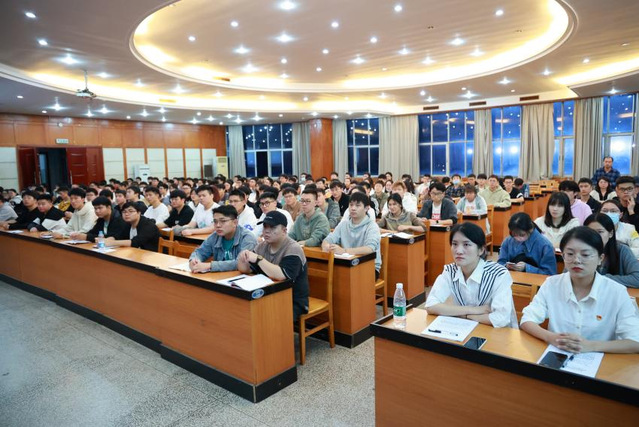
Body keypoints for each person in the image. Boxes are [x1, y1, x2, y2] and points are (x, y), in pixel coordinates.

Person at [521, 227, 639, 354]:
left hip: (600, 361)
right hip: (557, 356)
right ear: (563, 256)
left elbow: (635, 342)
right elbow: (527, 319)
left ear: (600, 259)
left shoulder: (617, 292)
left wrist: (591, 346)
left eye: (585, 255)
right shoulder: (552, 284)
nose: (576, 260)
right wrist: (551, 337)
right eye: (570, 254)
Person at [426, 222, 518, 328]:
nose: (458, 251)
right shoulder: (450, 271)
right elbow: (431, 305)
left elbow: (501, 318)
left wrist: (463, 316)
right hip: (464, 330)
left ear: (481, 250)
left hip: (498, 332)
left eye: (466, 244)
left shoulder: (498, 274)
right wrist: (473, 310)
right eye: (454, 244)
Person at [238, 211, 309, 321]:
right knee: (244, 311)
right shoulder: (262, 246)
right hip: (269, 295)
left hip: (292, 300)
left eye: (272, 227)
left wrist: (258, 259)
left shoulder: (293, 248)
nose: (266, 231)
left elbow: (281, 275)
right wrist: (243, 258)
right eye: (265, 227)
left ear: (284, 231)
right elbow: (246, 270)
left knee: (268, 317)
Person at [322, 192, 382, 278]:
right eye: (351, 205)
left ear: (366, 208)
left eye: (358, 205)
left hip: (368, 267)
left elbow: (369, 249)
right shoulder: (344, 224)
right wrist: (326, 246)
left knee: (343, 278)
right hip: (347, 264)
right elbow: (329, 239)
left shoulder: (372, 226)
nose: (353, 208)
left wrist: (344, 251)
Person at [188, 205, 258, 272]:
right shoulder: (215, 236)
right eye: (215, 221)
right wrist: (194, 260)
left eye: (223, 221)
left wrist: (210, 266)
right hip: (220, 277)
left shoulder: (247, 238)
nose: (218, 225)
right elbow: (200, 252)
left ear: (235, 222)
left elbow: (240, 263)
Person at [585, 214, 639, 288]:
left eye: (600, 232)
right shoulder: (578, 251)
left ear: (610, 233)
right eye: (590, 232)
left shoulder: (622, 250)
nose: (595, 236)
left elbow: (637, 278)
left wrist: (601, 279)